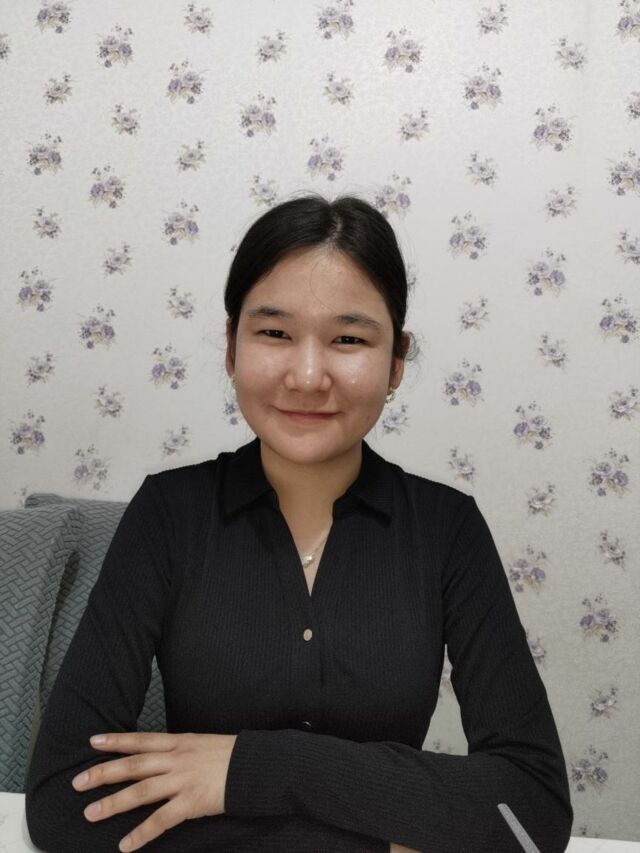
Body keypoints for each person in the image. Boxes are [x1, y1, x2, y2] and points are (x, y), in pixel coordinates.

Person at [25, 193, 573, 852]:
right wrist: (382, 836)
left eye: (349, 339)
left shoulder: (447, 528)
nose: (308, 376)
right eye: (275, 333)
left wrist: (253, 769)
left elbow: (530, 809)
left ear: (396, 361)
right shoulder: (168, 512)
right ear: (231, 349)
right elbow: (63, 801)